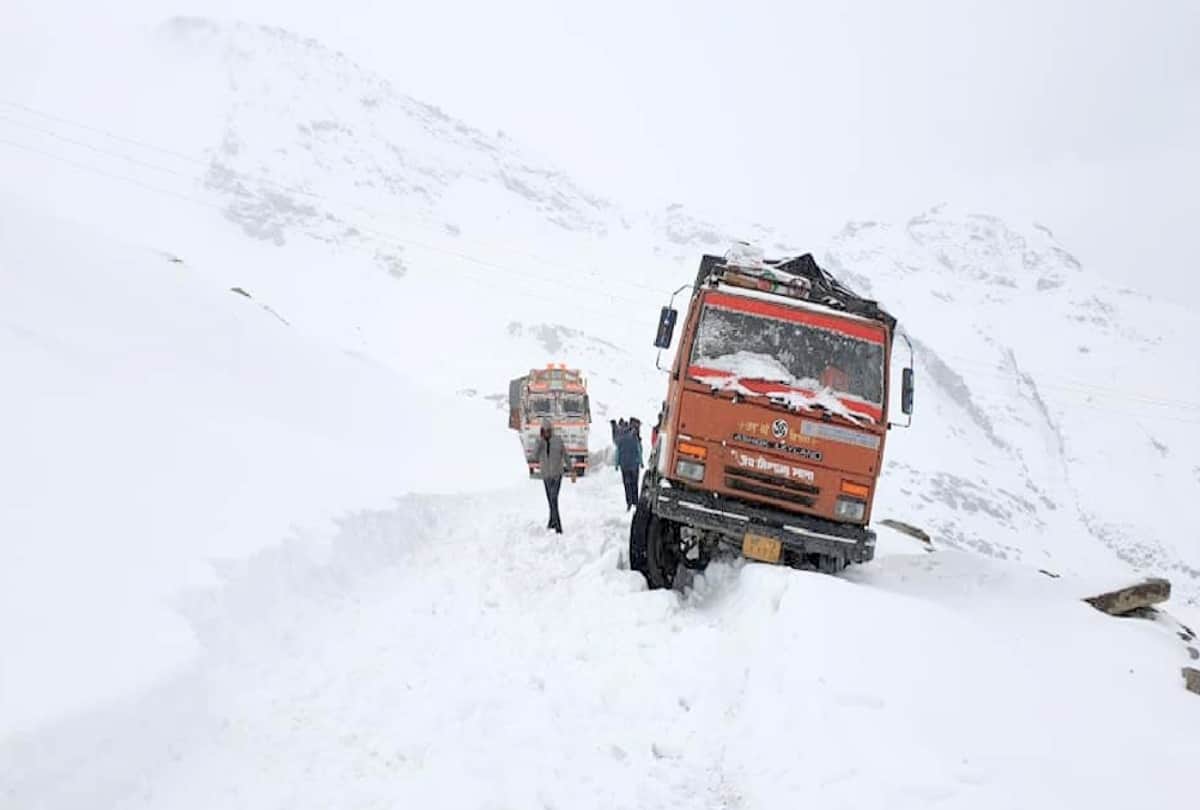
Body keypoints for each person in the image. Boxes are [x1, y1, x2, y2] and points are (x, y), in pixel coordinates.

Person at [535, 418, 574, 533]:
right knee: (550, 500)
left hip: (557, 475)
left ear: (551, 430)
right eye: (544, 430)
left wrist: (571, 469)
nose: (546, 432)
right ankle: (551, 521)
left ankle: (558, 526)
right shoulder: (539, 442)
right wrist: (539, 444)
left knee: (553, 498)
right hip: (546, 475)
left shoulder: (558, 441)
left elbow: (565, 455)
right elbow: (534, 456)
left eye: (548, 430)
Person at [615, 422, 643, 511]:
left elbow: (617, 453)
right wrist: (641, 462)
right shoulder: (634, 437)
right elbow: (639, 450)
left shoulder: (620, 439)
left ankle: (629, 502)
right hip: (634, 465)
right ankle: (635, 502)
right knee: (634, 484)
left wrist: (617, 464)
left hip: (624, 466)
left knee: (627, 485)